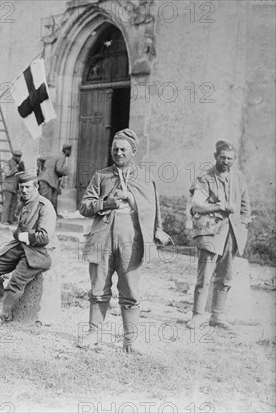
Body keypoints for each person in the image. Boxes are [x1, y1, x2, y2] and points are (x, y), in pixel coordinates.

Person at [77, 129, 171, 353]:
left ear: (134, 152)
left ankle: (130, 341)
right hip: (102, 238)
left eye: (123, 149)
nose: (118, 153)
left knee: (130, 290)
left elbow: (153, 209)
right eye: (115, 149)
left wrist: (132, 198)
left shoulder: (146, 179)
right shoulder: (100, 176)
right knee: (98, 288)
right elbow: (84, 207)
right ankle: (94, 334)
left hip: (132, 240)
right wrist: (106, 202)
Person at [186, 141, 251, 330]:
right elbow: (196, 205)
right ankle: (198, 315)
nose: (225, 161)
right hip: (210, 232)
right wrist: (219, 206)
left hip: (232, 233)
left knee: (226, 275)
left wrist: (243, 226)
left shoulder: (239, 178)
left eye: (230, 158)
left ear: (234, 160)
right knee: (205, 275)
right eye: (222, 157)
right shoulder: (204, 177)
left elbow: (245, 207)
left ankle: (217, 316)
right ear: (215, 156)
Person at [0, 170, 57, 329]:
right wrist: (19, 235)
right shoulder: (23, 203)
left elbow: (44, 237)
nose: (24, 190)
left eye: (28, 187)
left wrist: (21, 235)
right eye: (21, 187)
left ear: (36, 187)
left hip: (39, 253)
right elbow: (19, 229)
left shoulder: (45, 206)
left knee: (16, 282)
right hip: (21, 247)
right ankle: (3, 307)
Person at [39, 144, 71, 211]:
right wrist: (66, 172)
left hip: (48, 180)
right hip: (48, 180)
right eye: (69, 150)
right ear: (66, 150)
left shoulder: (56, 155)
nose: (70, 153)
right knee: (46, 201)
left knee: (51, 200)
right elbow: (58, 169)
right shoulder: (62, 157)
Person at [0, 150, 25, 224]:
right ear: (14, 156)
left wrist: (22, 169)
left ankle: (10, 220)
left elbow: (21, 175)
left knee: (13, 205)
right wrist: (16, 169)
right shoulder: (7, 163)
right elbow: (7, 173)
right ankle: (4, 220)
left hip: (14, 187)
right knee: (7, 204)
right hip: (8, 187)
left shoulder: (18, 164)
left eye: (20, 157)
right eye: (17, 157)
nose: (19, 158)